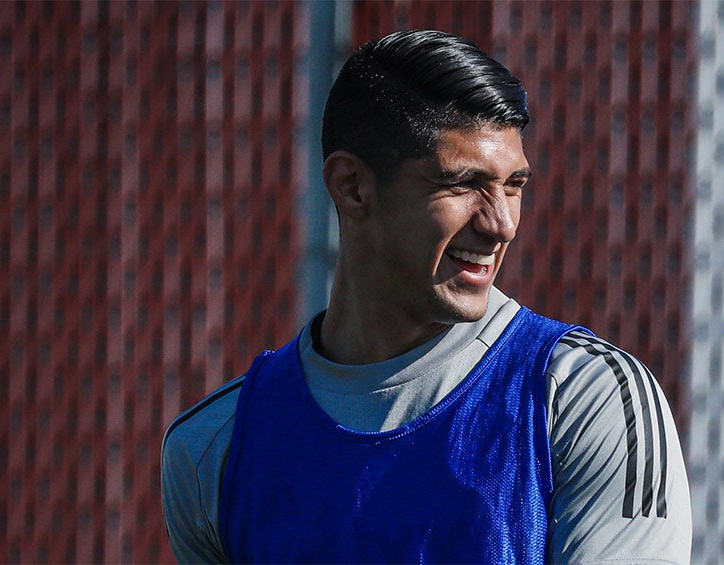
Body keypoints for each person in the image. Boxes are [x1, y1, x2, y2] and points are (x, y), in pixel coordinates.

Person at [161, 29, 691, 564]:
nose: (502, 224)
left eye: (514, 186)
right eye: (464, 184)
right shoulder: (215, 447)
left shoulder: (587, 401)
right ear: (352, 187)